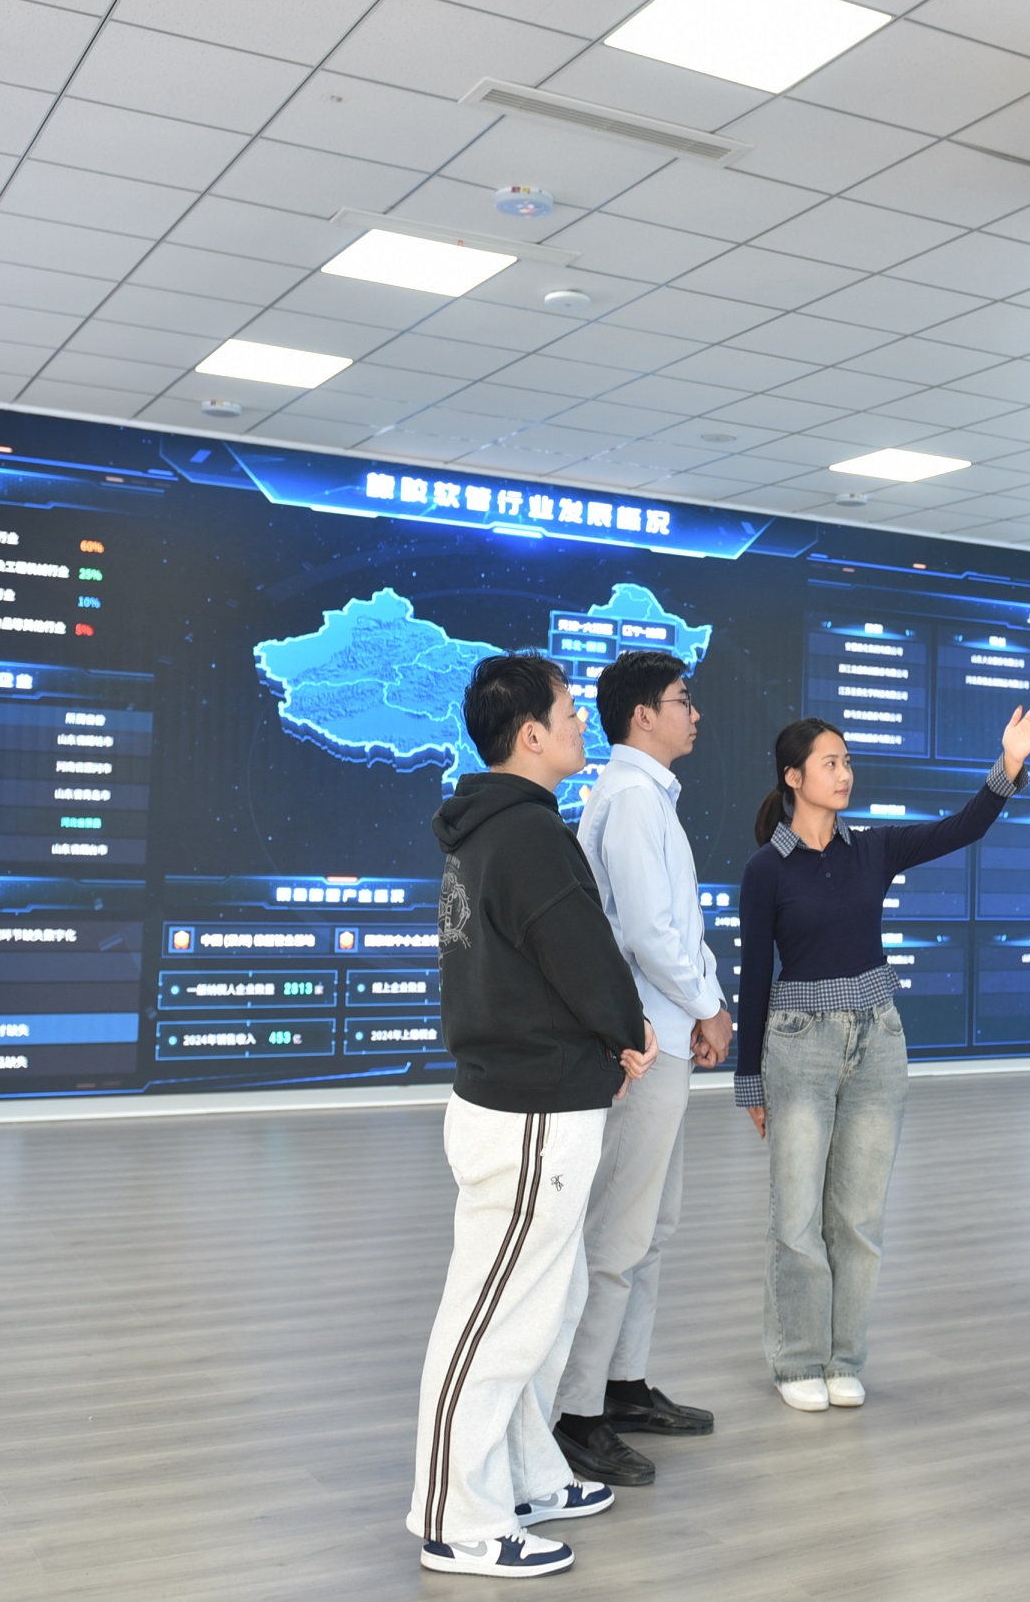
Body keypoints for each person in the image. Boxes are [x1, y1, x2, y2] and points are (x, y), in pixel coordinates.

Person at [407, 653, 657, 1581]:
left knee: (543, 1307)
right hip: (530, 1113)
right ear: (530, 734)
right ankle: (456, 1517)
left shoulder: (491, 831)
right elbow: (584, 958)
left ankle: (523, 1475)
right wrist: (627, 1030)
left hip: (529, 1100)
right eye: (569, 711)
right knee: (493, 1319)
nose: (583, 723)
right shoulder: (527, 836)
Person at [733, 698, 1030, 1412]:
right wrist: (749, 1081)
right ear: (793, 777)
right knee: (796, 1216)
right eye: (830, 763)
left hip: (878, 1042)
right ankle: (797, 1359)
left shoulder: (873, 848)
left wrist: (1008, 764)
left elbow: (962, 827)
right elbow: (754, 977)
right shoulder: (766, 870)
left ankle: (843, 1357)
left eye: (847, 761)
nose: (845, 773)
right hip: (798, 1047)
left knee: (858, 1216)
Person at [551, 650, 733, 1488]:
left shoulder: (648, 797)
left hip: (670, 1032)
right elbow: (648, 935)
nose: (695, 713)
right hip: (644, 1044)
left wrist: (708, 1002)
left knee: (652, 1225)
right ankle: (576, 1412)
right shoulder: (628, 799)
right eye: (683, 700)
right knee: (617, 1234)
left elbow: (677, 924)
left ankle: (622, 1385)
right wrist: (707, 1006)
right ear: (643, 716)